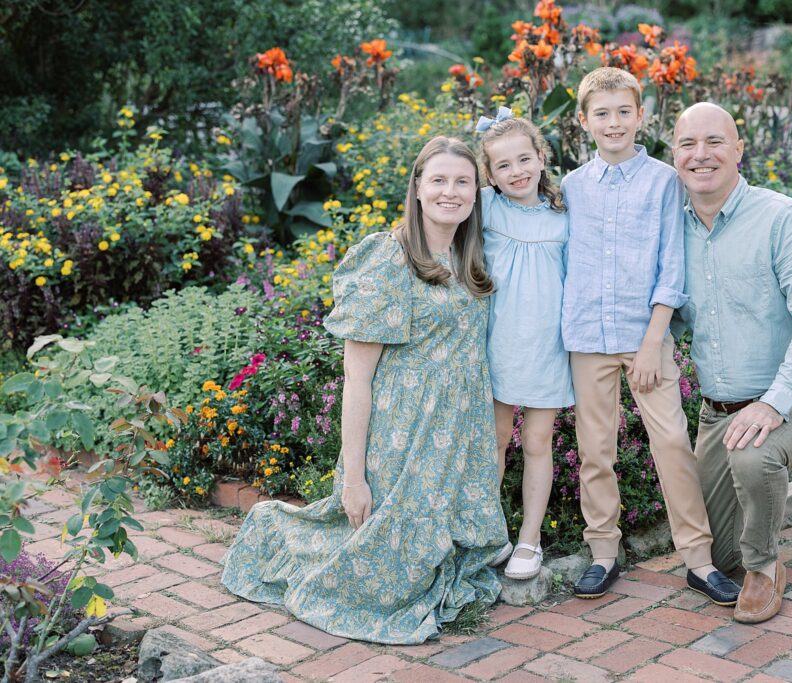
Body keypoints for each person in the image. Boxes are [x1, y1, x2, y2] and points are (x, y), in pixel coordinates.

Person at [221, 136, 510, 645]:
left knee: (438, 557)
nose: (451, 191)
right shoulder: (388, 259)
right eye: (438, 180)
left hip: (458, 436)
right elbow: (357, 378)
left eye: (463, 181)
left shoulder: (471, 257)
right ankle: (277, 532)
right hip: (403, 439)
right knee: (384, 580)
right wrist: (354, 478)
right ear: (417, 188)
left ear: (476, 191)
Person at [671, 102, 792, 624]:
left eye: (714, 142)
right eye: (687, 144)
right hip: (718, 412)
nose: (701, 155)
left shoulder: (779, 217)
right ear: (674, 154)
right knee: (714, 553)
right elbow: (673, 319)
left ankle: (765, 569)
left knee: (755, 462)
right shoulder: (671, 230)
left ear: (738, 150)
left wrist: (773, 405)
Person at [560, 67, 740, 605]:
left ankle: (699, 560)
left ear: (641, 116)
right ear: (583, 121)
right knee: (595, 448)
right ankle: (602, 553)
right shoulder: (571, 186)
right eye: (602, 113)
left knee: (671, 443)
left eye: (623, 112)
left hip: (647, 337)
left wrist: (650, 340)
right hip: (587, 336)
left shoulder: (665, 180)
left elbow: (671, 265)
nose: (613, 123)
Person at [476, 110, 574, 580]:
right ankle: (487, 532)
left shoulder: (564, 215)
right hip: (497, 346)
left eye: (524, 159)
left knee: (537, 442)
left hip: (547, 348)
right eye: (503, 166)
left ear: (541, 157)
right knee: (493, 440)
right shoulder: (485, 208)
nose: (517, 172)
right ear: (489, 174)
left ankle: (529, 539)